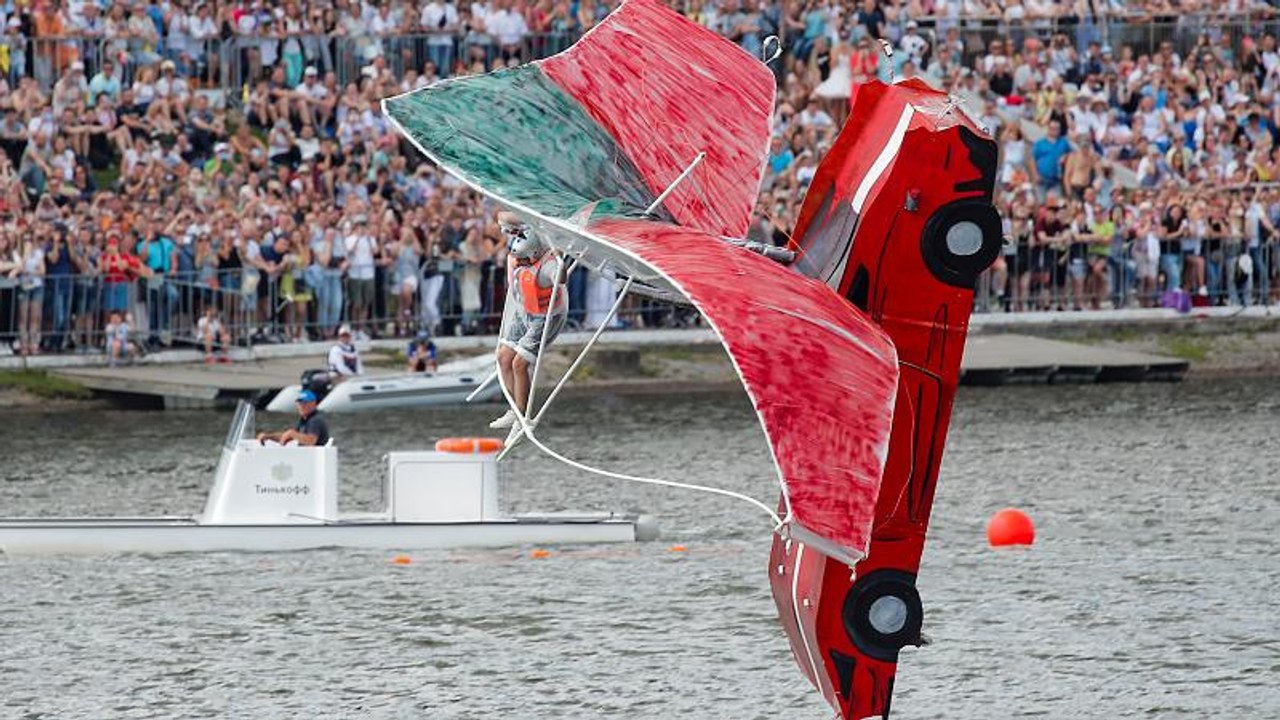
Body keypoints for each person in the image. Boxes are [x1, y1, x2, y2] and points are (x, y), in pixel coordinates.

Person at [490, 212, 568, 445]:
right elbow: (502, 217)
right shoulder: (521, 244)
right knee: (503, 357)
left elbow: (560, 278)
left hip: (545, 318)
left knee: (519, 364)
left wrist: (561, 259)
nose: (519, 262)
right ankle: (514, 409)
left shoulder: (547, 266)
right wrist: (523, 217)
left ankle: (523, 418)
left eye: (523, 260)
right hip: (525, 312)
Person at [256, 389, 330, 446]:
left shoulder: (315, 420)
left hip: (314, 459)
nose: (301, 406)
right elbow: (287, 437)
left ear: (313, 404)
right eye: (299, 403)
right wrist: (268, 437)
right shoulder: (304, 420)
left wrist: (292, 434)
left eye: (305, 403)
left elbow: (311, 440)